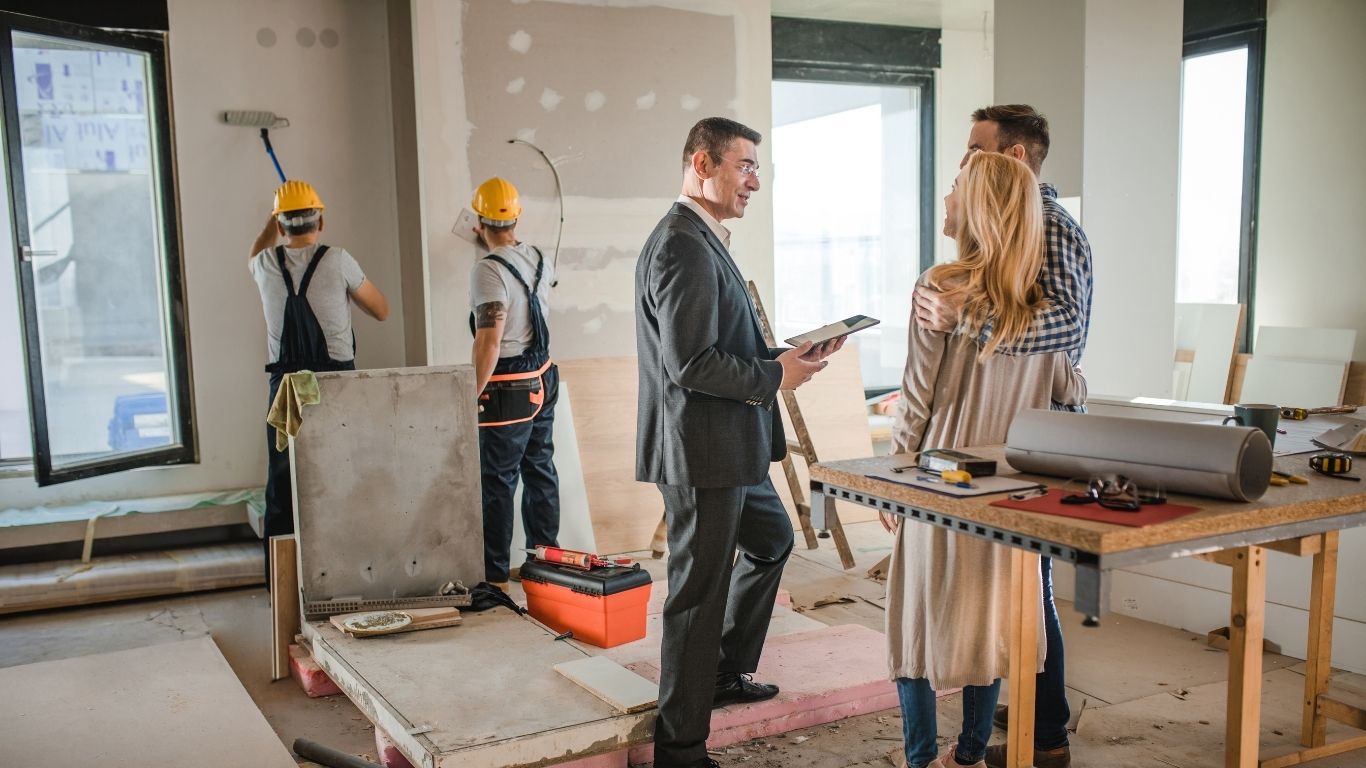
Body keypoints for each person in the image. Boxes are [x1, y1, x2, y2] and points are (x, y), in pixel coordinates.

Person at [634, 117, 839, 768]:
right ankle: (681, 749)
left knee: (772, 540)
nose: (756, 180)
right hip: (702, 453)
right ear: (703, 163)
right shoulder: (682, 245)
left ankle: (723, 673)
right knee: (696, 596)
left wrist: (787, 354)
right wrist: (777, 375)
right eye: (745, 165)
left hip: (732, 446)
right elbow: (690, 363)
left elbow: (720, 348)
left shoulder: (704, 238)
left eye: (757, 167)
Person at [883, 151, 1087, 768]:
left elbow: (916, 398)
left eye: (954, 187)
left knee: (914, 626)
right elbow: (1069, 392)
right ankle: (967, 756)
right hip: (1009, 492)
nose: (947, 197)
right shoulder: (1037, 304)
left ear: (976, 207)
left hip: (940, 479)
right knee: (989, 625)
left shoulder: (939, 286)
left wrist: (895, 477)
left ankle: (922, 760)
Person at [249, 180, 389, 580]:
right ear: (321, 219)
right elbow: (381, 311)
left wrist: (271, 219)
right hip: (335, 387)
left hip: (287, 390)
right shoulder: (339, 259)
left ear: (279, 225)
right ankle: (344, 573)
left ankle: (282, 582)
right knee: (341, 475)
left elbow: (254, 250)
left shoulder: (264, 264)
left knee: (283, 482)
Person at [467, 176, 560, 593]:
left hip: (507, 386)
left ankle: (493, 576)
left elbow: (490, 338)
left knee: (498, 481)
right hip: (544, 375)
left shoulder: (487, 270)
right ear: (516, 216)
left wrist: (467, 395)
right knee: (539, 470)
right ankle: (544, 565)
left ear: (478, 221)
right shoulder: (539, 256)